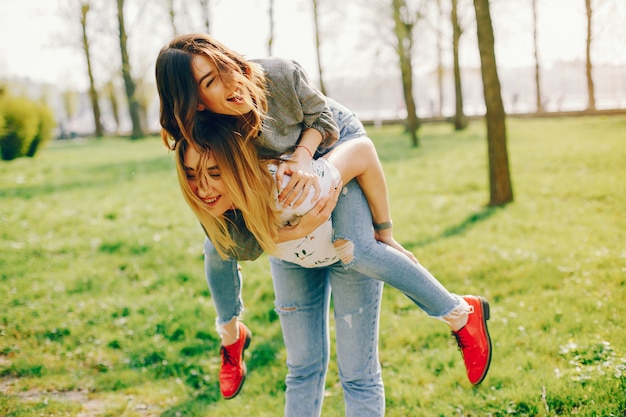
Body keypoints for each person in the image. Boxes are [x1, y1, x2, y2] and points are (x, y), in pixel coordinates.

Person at [155, 33, 492, 412]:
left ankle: (460, 314)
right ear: (198, 106)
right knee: (223, 256)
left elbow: (332, 127)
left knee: (358, 251)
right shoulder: (219, 139)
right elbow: (231, 234)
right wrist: (293, 230)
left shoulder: (278, 76)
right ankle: (230, 335)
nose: (231, 81)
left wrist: (384, 231)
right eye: (210, 83)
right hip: (291, 207)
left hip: (332, 142)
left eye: (223, 67)